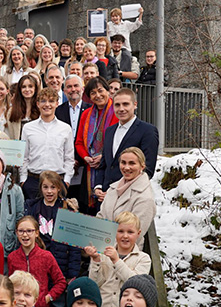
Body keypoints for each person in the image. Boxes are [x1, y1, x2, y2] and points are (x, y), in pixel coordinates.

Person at [25, 172, 83, 303]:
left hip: (59, 267)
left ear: (59, 188)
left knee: (57, 305)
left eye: (53, 187)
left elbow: (74, 246)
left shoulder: (68, 210)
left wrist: (72, 273)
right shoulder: (32, 208)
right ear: (40, 188)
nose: (49, 191)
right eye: (45, 187)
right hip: (37, 265)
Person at [86, 212, 152, 307]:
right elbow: (95, 283)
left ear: (138, 234)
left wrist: (116, 261)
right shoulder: (104, 253)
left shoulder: (143, 258)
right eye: (120, 231)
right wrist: (96, 260)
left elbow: (136, 283)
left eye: (130, 232)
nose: (125, 236)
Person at [94, 88, 158, 198]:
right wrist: (98, 186)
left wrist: (119, 191)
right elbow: (104, 164)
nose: (121, 109)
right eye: (117, 105)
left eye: (125, 104)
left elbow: (147, 169)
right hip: (105, 196)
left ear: (135, 105)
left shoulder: (147, 131)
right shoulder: (109, 131)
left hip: (130, 197)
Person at [6, 216, 66, 307]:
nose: (25, 235)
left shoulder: (46, 256)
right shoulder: (12, 257)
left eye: (29, 231)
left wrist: (47, 298)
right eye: (21, 231)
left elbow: (61, 282)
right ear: (16, 233)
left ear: (37, 233)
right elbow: (10, 284)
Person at [21, 87, 74, 203]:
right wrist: (23, 180)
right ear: (38, 104)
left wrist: (66, 181)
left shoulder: (65, 128)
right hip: (33, 180)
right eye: (43, 101)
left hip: (57, 180)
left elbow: (69, 158)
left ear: (57, 103)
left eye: (51, 101)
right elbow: (23, 157)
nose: (47, 105)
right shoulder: (28, 128)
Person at [97, 147, 156, 246]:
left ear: (142, 166)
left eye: (132, 163)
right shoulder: (112, 189)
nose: (126, 167)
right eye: (123, 163)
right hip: (101, 250)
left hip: (125, 256)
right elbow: (100, 218)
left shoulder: (145, 198)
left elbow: (134, 236)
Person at [75, 78, 117, 214]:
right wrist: (85, 157)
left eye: (100, 91)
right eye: (93, 93)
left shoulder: (117, 112)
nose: (97, 95)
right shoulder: (85, 115)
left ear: (108, 90)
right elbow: (79, 142)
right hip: (89, 169)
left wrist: (103, 156)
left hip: (110, 170)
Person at [55, 74, 87, 201]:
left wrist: (79, 158)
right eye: (69, 87)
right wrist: (68, 160)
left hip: (85, 166)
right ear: (64, 91)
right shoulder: (58, 111)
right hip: (63, 166)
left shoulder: (91, 110)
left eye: (76, 86)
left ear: (82, 88)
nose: (73, 89)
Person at [6, 74, 39, 141]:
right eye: (23, 87)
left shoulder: (41, 109)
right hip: (18, 148)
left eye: (30, 86)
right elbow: (11, 136)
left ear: (35, 89)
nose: (27, 89)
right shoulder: (11, 111)